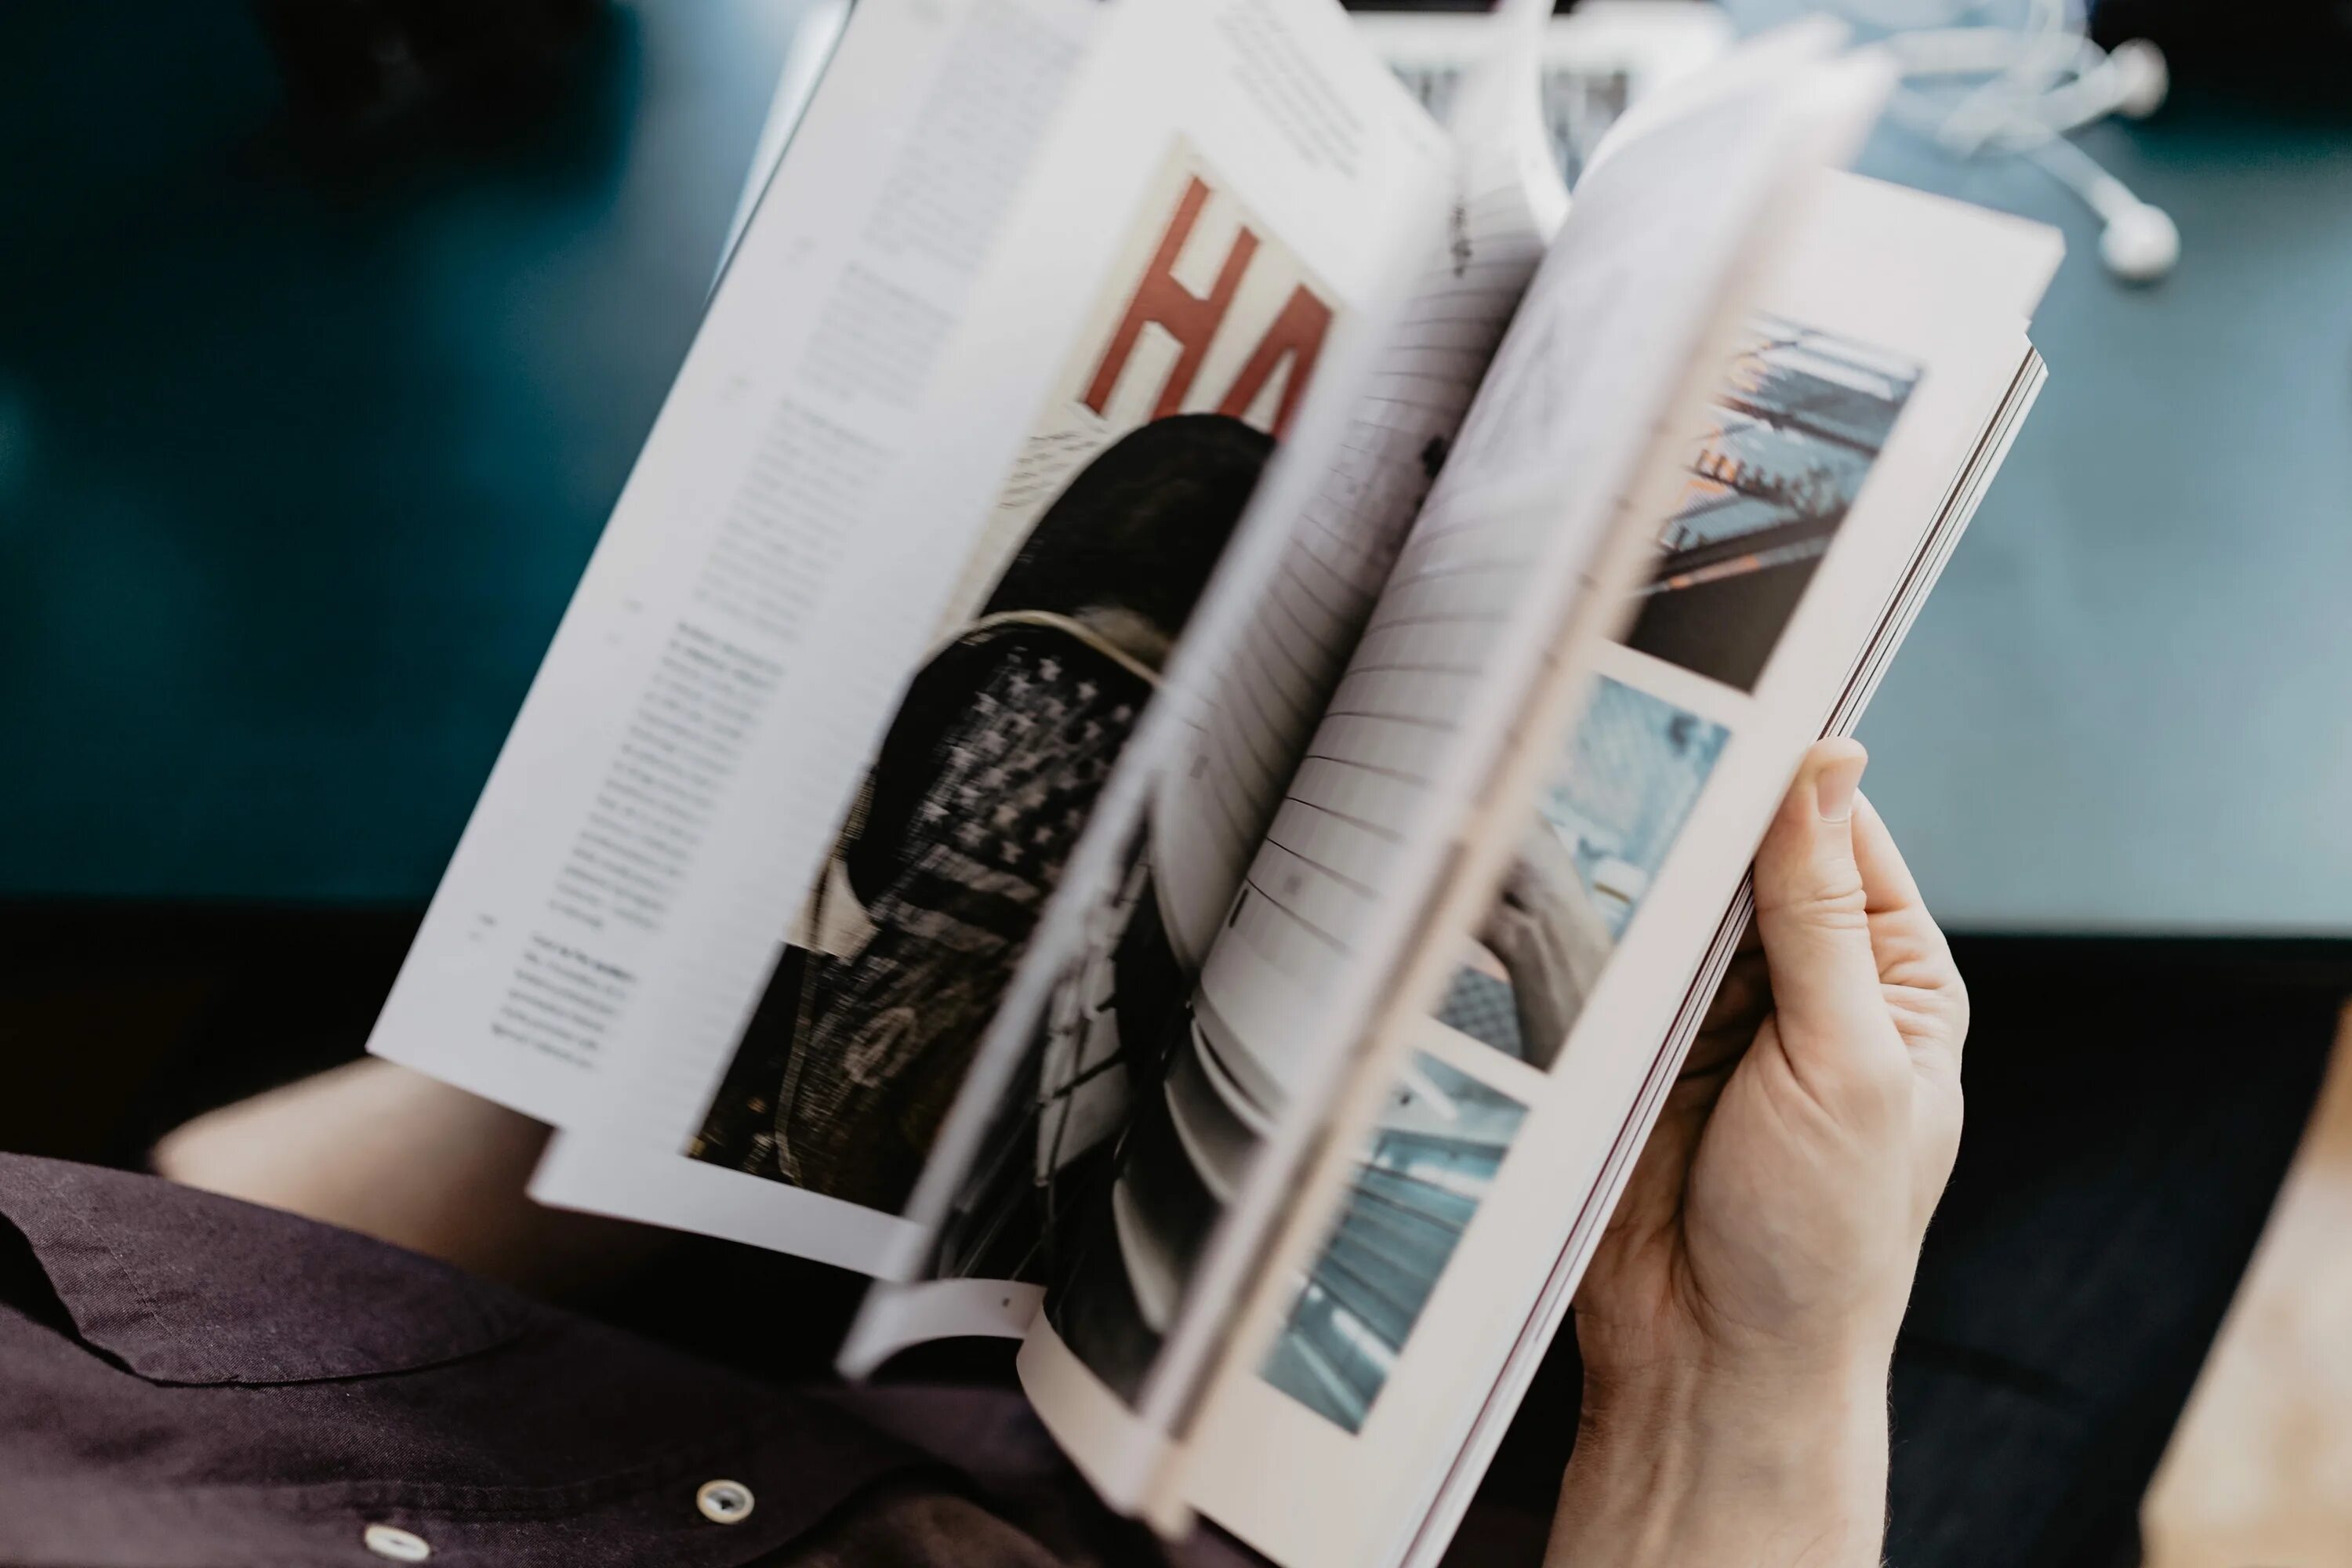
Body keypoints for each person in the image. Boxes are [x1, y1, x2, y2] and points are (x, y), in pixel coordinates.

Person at [5, 739, 1965, 1566]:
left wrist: (742, 1040)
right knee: (2167, 1046)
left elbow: (150, 1290)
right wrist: (1730, 1394)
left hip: (735, 1384)